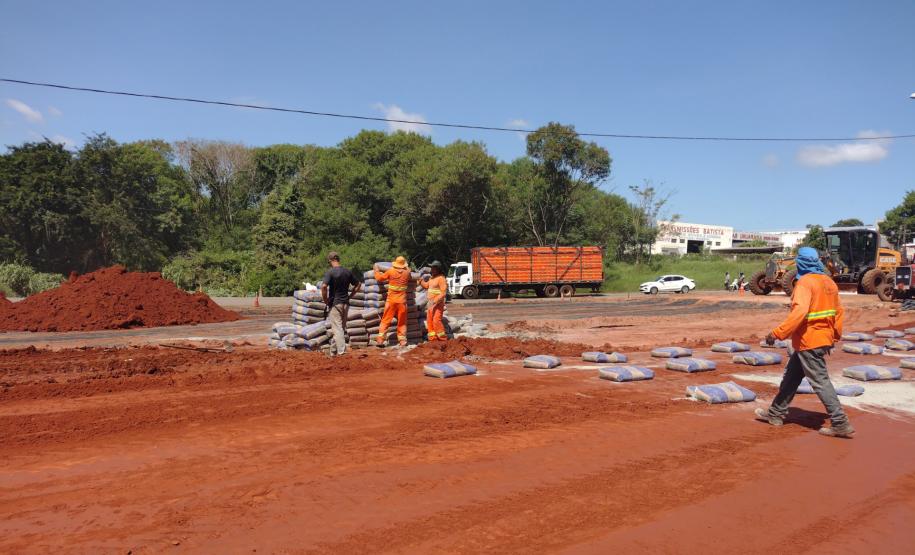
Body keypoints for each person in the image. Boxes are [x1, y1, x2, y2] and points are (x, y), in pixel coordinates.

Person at [756, 246, 854, 438]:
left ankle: (840, 422)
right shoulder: (829, 282)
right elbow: (839, 312)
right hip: (819, 338)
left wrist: (776, 333)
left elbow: (799, 313)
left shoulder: (804, 283)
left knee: (820, 382)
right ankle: (775, 414)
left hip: (810, 340)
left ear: (801, 263)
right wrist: (834, 336)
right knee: (791, 378)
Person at [321, 252, 361, 355]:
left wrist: (325, 300)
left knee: (337, 329)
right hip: (345, 303)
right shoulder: (347, 272)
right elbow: (358, 284)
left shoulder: (330, 272)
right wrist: (351, 296)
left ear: (330, 261)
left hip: (335, 304)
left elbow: (324, 286)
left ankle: (342, 353)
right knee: (340, 329)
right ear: (338, 259)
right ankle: (333, 352)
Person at [374, 256, 412, 347]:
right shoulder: (407, 273)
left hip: (391, 301)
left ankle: (380, 339)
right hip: (402, 302)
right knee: (402, 322)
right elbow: (410, 277)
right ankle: (402, 341)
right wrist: (407, 269)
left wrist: (376, 271)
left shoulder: (391, 271)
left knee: (385, 320)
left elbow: (380, 278)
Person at [420, 261, 448, 342]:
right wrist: (421, 281)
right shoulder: (432, 278)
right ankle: (433, 339)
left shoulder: (441, 279)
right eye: (431, 268)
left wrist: (435, 301)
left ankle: (442, 339)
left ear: (438, 269)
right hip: (430, 304)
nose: (432, 269)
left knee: (436, 320)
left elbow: (443, 293)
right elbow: (426, 286)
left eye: (434, 268)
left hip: (438, 304)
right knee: (429, 321)